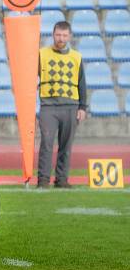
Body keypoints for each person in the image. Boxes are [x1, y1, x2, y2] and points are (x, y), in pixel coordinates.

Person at [37, 21, 88, 189]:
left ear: (70, 36)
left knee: (66, 145)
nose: (61, 38)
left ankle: (62, 180)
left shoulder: (76, 57)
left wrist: (82, 107)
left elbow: (82, 83)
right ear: (53, 34)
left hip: (71, 106)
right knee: (46, 143)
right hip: (48, 106)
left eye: (64, 35)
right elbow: (31, 78)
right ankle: (43, 180)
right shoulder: (41, 54)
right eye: (58, 35)